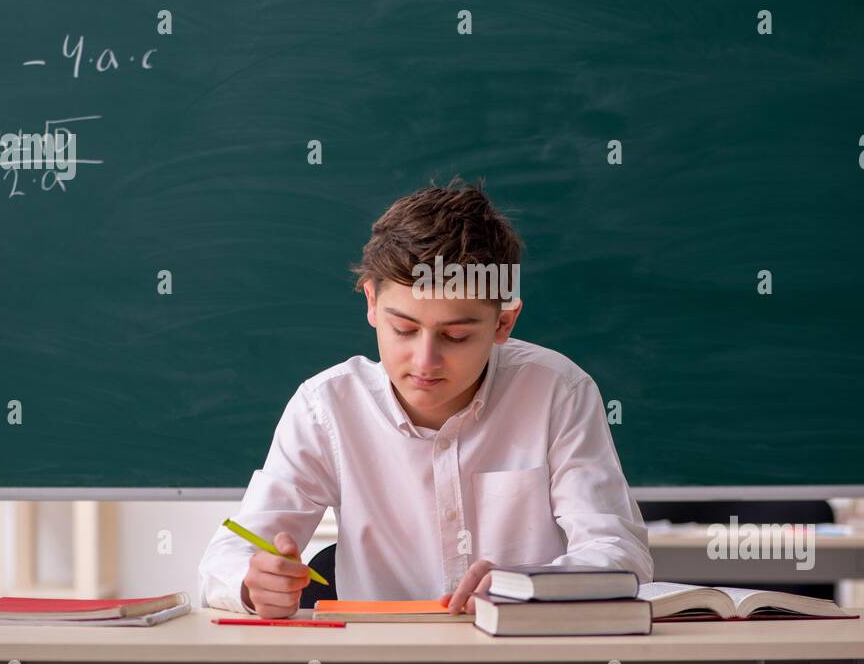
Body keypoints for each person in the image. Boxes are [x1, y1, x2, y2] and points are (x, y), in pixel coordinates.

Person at [197, 177, 652, 618]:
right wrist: (253, 584)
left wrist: (529, 585)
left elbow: (618, 550)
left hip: (522, 658)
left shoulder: (557, 391)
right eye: (404, 329)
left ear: (503, 323)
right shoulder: (326, 407)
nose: (425, 360)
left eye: (455, 335)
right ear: (372, 303)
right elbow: (230, 554)